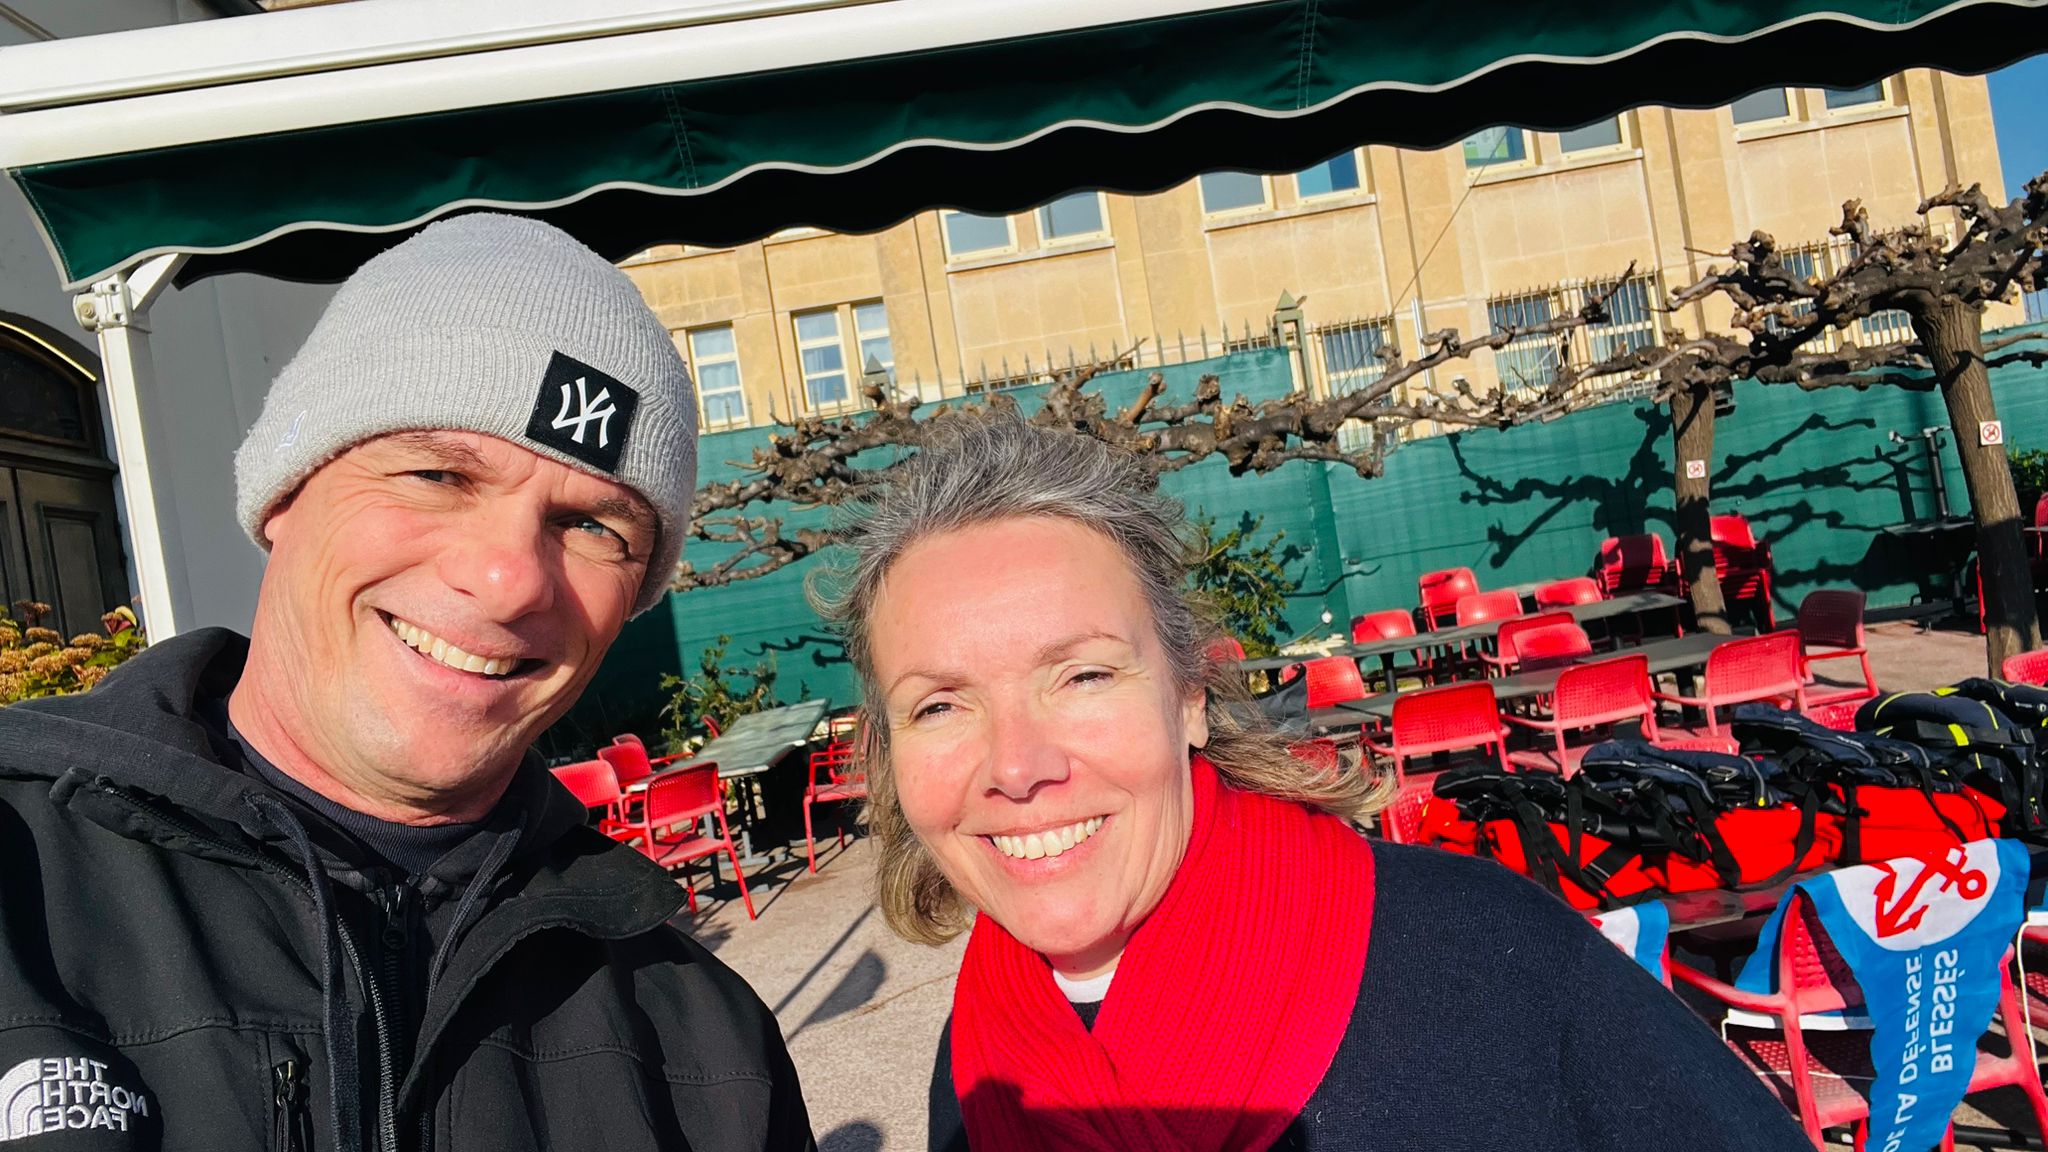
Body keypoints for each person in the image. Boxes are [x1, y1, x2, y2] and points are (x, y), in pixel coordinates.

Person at [0, 214, 813, 1151]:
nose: (509, 580)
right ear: (284, 494)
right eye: (436, 474)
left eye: (595, 527)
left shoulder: (710, 1052)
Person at [809, 412, 1811, 1152]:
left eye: (1080, 677)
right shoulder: (981, 1057)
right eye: (939, 706)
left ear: (1190, 695)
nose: (1017, 768)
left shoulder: (1492, 960)